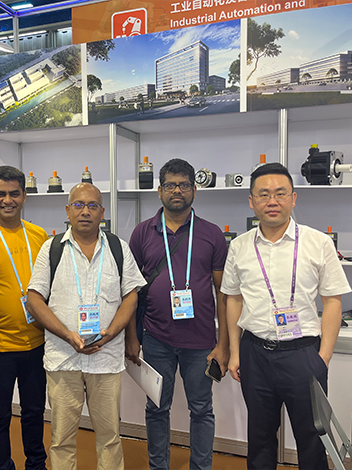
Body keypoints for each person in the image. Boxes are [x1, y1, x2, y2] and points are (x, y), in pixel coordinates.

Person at [221, 163, 351, 470]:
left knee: (313, 438)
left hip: (303, 355)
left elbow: (332, 301)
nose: (272, 201)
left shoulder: (318, 242)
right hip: (255, 354)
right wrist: (235, 352)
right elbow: (233, 299)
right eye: (263, 194)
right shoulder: (239, 246)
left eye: (280, 193)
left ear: (293, 198)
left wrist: (323, 358)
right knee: (260, 438)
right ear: (251, 201)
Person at [26, 183, 146, 470]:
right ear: (68, 210)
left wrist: (112, 333)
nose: (85, 211)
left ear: (102, 212)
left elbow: (131, 296)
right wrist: (67, 335)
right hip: (63, 358)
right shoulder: (51, 248)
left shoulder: (118, 248)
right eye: (78, 205)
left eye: (92, 205)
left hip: (106, 358)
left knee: (110, 437)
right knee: (62, 438)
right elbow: (34, 299)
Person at [125, 158, 229, 470]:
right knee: (157, 408)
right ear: (159, 191)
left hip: (201, 342)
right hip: (156, 339)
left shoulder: (211, 234)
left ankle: (201, 467)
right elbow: (130, 291)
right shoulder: (142, 233)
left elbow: (223, 294)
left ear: (194, 190)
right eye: (170, 185)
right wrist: (132, 338)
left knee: (202, 410)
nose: (177, 191)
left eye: (184, 185)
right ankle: (159, 466)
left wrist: (224, 344)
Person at [0, 166, 49, 470]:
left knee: (34, 413)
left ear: (24, 196)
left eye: (14, 193)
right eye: (0, 194)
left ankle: (36, 465)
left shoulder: (39, 235)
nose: (8, 200)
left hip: (37, 344)